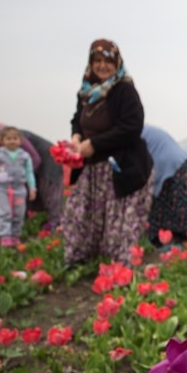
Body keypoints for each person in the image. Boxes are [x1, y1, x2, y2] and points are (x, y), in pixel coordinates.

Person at [62, 38, 153, 267]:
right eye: (97, 61)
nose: (103, 66)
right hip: (92, 167)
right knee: (79, 212)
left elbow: (132, 126)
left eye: (108, 61)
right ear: (90, 63)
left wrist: (95, 144)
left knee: (118, 221)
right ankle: (79, 260)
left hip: (121, 166)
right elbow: (77, 120)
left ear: (117, 63)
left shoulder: (124, 89)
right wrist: (77, 137)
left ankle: (119, 269)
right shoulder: (86, 92)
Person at [0, 122, 64, 231]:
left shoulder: (16, 137)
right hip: (29, 166)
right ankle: (22, 223)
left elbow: (35, 159)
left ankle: (55, 224)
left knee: (49, 192)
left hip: (49, 161)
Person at [141, 124, 187, 248]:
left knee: (166, 203)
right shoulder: (142, 130)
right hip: (181, 161)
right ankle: (179, 240)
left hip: (168, 163)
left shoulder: (132, 133)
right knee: (179, 204)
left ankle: (168, 243)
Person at [0, 126, 37, 246]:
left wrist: (32, 188)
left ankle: (15, 235)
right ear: (2, 140)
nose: (12, 141)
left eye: (15, 138)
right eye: (8, 138)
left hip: (19, 188)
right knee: (4, 212)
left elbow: (29, 173)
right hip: (1, 188)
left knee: (19, 213)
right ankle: (5, 237)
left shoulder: (25, 156)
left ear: (20, 141)